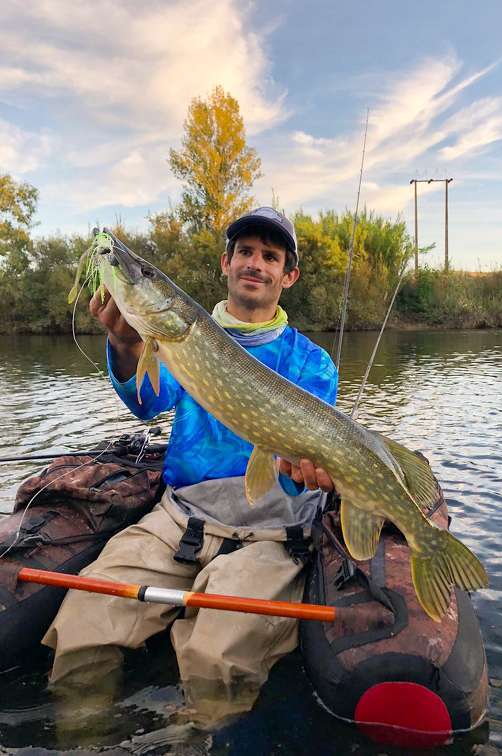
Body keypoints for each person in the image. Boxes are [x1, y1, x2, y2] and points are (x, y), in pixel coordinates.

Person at [43, 207, 338, 728]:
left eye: (270, 257)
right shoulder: (181, 336)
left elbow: (302, 462)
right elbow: (147, 403)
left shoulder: (311, 362)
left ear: (287, 276)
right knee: (83, 624)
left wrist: (314, 470)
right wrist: (126, 343)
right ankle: (80, 734)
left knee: (217, 657)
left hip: (269, 528)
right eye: (245, 251)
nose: (256, 263)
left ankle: (198, 737)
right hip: (179, 518)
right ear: (226, 263)